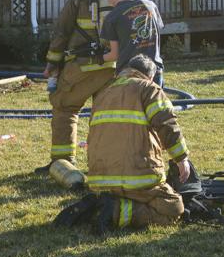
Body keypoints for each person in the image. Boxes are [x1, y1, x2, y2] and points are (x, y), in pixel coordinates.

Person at [53, 55, 190, 232]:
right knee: (173, 208)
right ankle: (115, 211)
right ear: (150, 76)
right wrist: (181, 158)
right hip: (138, 178)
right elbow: (166, 124)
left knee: (125, 195)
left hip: (99, 182)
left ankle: (99, 206)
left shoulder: (103, 93)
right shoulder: (148, 89)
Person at [37, 0, 124, 174]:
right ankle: (105, 163)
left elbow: (61, 33)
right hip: (113, 67)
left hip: (82, 64)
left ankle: (62, 161)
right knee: (105, 115)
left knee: (64, 107)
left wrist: (52, 63)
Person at [99, 0, 164, 85]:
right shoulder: (150, 5)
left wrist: (98, 58)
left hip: (129, 74)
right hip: (154, 70)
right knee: (154, 96)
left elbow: (114, 55)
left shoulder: (112, 17)